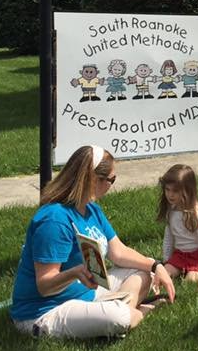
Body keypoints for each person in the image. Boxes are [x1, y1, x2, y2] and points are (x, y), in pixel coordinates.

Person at [10, 145, 175, 339]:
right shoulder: (54, 220)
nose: (112, 185)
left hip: (87, 293)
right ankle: (136, 312)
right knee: (119, 317)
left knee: (144, 271)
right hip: (46, 310)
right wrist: (74, 273)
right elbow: (44, 286)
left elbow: (118, 252)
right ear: (93, 179)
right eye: (111, 180)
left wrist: (156, 266)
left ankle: (117, 313)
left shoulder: (91, 209)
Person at [158, 164, 198, 283]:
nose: (170, 195)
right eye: (167, 190)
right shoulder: (171, 210)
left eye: (175, 191)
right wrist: (166, 259)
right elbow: (169, 237)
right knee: (164, 274)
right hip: (180, 254)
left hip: (197, 255)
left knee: (190, 280)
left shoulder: (196, 213)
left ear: (188, 190)